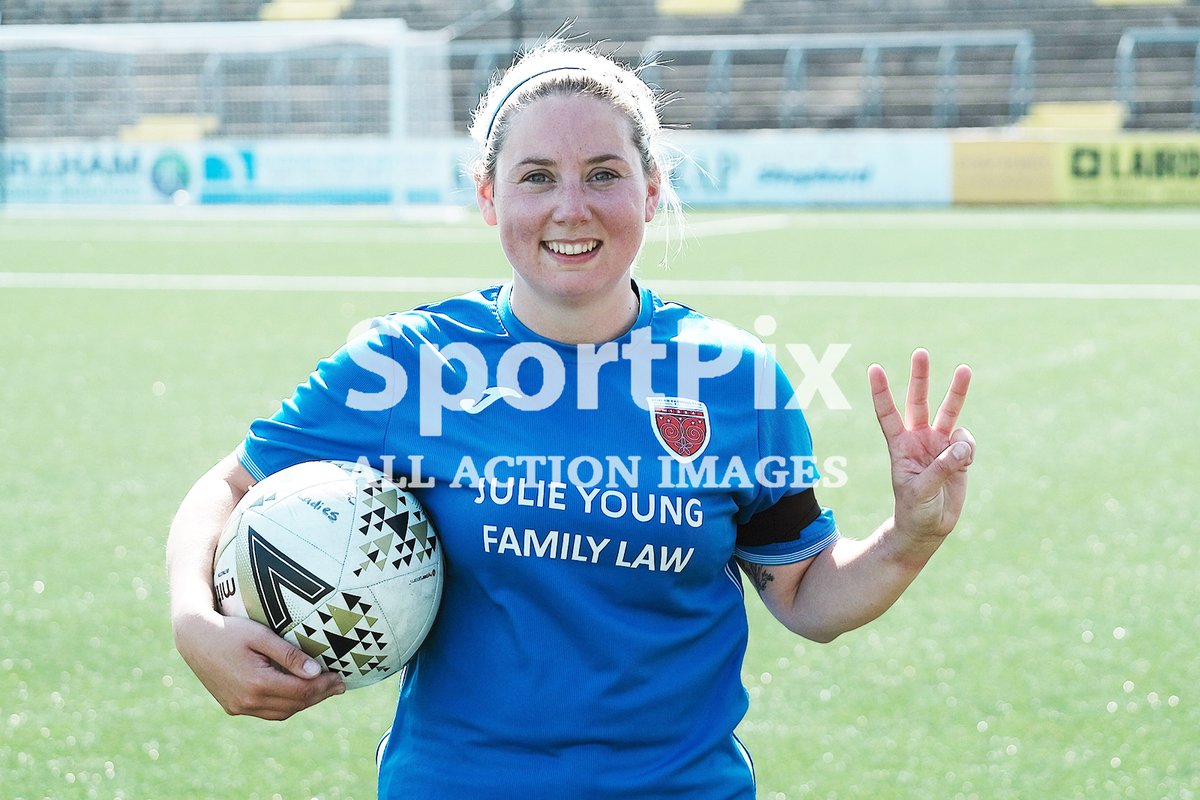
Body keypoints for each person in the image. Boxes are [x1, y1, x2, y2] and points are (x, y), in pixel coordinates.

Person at [167, 38, 976, 799]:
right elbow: (227, 487)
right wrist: (193, 620)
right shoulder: (406, 363)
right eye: (536, 177)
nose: (570, 208)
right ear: (489, 197)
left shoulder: (735, 380)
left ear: (651, 190)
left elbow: (805, 596)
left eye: (602, 174)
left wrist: (912, 535)